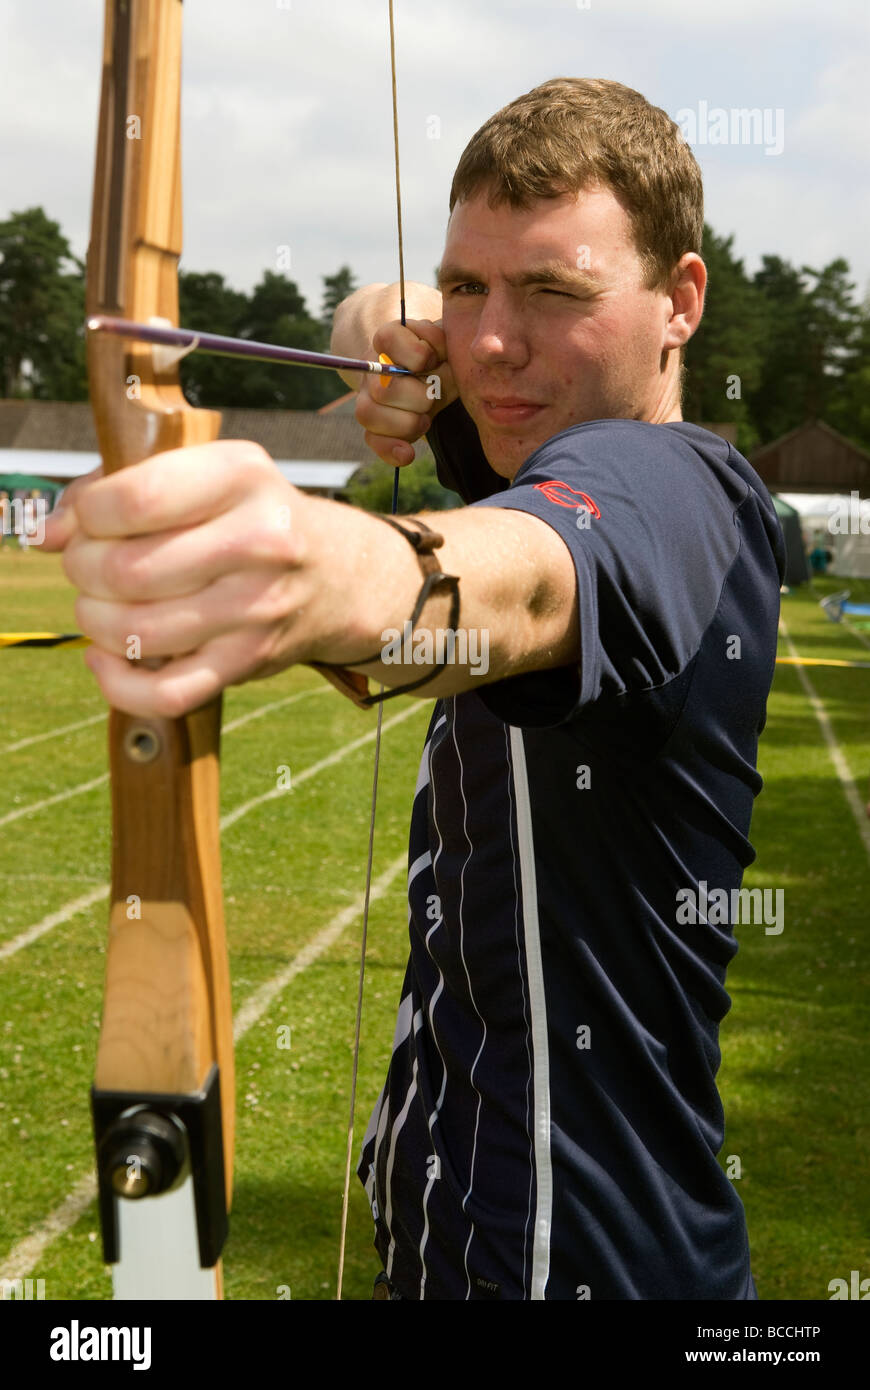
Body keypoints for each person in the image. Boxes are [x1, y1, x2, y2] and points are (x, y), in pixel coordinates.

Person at [45, 77, 784, 1300]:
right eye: (466, 287)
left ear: (680, 302)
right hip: (445, 1244)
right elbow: (401, 341)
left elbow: (531, 581)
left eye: (556, 291)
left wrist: (322, 569)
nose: (495, 338)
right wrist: (402, 341)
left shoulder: (677, 493)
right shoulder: (515, 426)